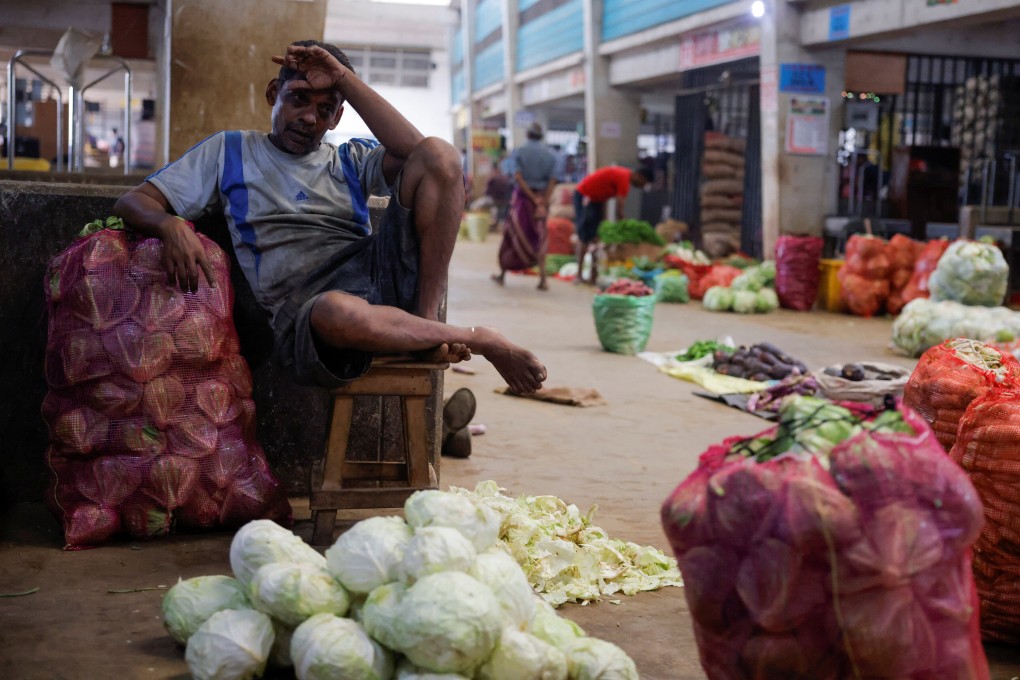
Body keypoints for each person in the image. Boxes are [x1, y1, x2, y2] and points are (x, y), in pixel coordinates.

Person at [113, 40, 546, 396]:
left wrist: (343, 78)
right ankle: (478, 337)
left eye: (325, 109)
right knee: (339, 311)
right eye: (298, 99)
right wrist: (170, 225)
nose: (309, 118)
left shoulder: (350, 158)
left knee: (441, 153)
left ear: (338, 116)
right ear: (272, 95)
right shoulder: (230, 151)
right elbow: (134, 202)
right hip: (308, 310)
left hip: (378, 277)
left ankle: (428, 324)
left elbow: (422, 153)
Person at [491, 122, 557, 290]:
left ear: (527, 135)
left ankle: (502, 275)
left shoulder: (519, 152)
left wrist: (531, 197)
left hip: (522, 200)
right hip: (541, 201)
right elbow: (552, 180)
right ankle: (543, 280)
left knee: (512, 235)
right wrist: (542, 201)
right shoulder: (550, 154)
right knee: (539, 238)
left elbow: (518, 177)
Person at [572, 165, 653, 284]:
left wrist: (603, 220)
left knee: (595, 237)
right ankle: (579, 275)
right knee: (585, 237)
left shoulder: (624, 176)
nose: (641, 186)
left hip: (595, 202)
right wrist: (624, 227)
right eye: (643, 183)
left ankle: (593, 275)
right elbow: (619, 210)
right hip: (585, 196)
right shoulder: (624, 179)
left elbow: (604, 198)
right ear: (639, 176)